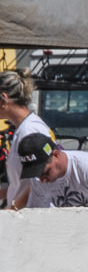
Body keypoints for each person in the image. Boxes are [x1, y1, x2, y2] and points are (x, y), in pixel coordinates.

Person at [1, 69, 53, 209]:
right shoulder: (23, 129)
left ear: (3, 99)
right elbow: (20, 185)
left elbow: (38, 182)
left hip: (31, 218)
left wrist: (11, 210)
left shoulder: (30, 131)